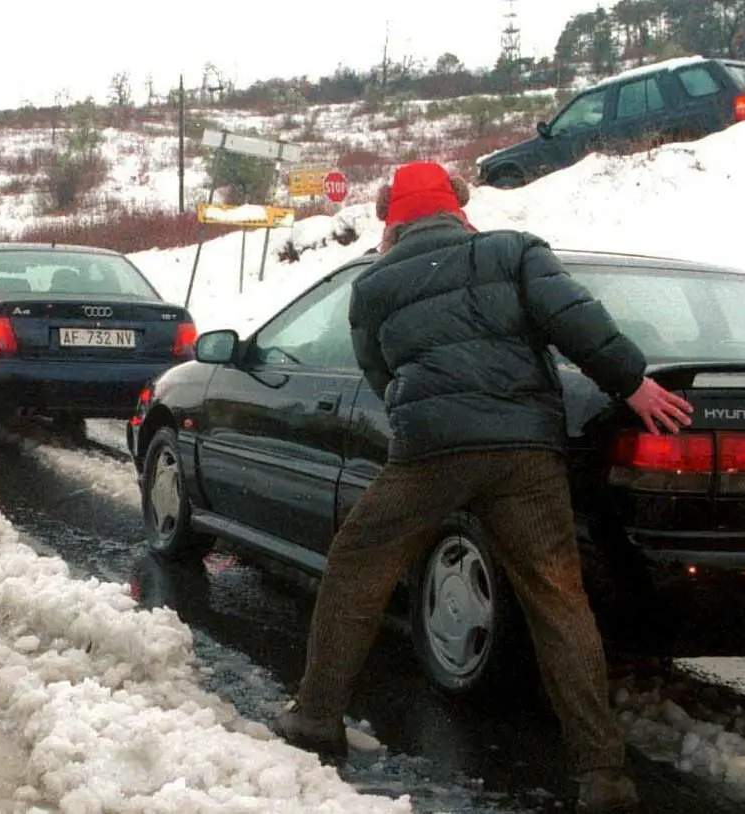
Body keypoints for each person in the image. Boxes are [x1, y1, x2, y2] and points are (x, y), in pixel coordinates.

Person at [273, 161, 692, 814]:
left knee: (357, 565)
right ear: (455, 208)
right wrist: (630, 380)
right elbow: (575, 319)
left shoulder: (373, 284)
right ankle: (602, 776)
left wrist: (427, 413)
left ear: (392, 220)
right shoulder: (513, 251)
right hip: (525, 453)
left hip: (428, 455)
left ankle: (316, 717)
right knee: (558, 600)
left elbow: (379, 373)